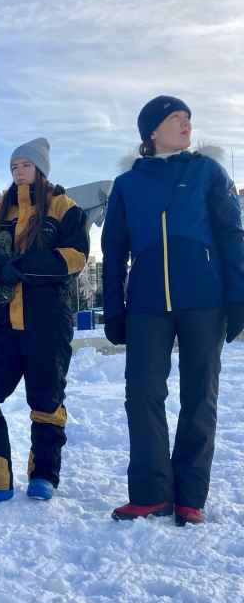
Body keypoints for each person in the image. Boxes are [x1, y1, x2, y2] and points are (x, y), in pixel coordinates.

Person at [102, 95, 244, 525]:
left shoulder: (207, 172)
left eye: (188, 118)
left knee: (200, 395)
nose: (185, 124)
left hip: (205, 299)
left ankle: (190, 495)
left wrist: (239, 297)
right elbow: (113, 250)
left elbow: (233, 234)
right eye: (175, 118)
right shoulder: (128, 184)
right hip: (147, 303)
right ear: (151, 131)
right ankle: (149, 492)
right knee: (142, 394)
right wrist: (114, 306)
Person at [0, 138, 89, 505]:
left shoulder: (64, 208)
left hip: (47, 322)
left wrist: (25, 267)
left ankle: (44, 474)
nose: (18, 171)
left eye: (24, 165)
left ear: (40, 168)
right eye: (13, 166)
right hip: (2, 323)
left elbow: (76, 257)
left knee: (46, 400)